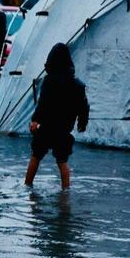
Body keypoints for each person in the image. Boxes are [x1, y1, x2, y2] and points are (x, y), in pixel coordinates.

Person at [25, 43, 89, 189]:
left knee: (35, 157)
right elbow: (84, 107)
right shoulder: (78, 86)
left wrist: (35, 120)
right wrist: (82, 123)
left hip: (46, 128)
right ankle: (65, 193)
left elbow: (43, 104)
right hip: (64, 130)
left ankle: (27, 186)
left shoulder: (49, 81)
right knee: (62, 161)